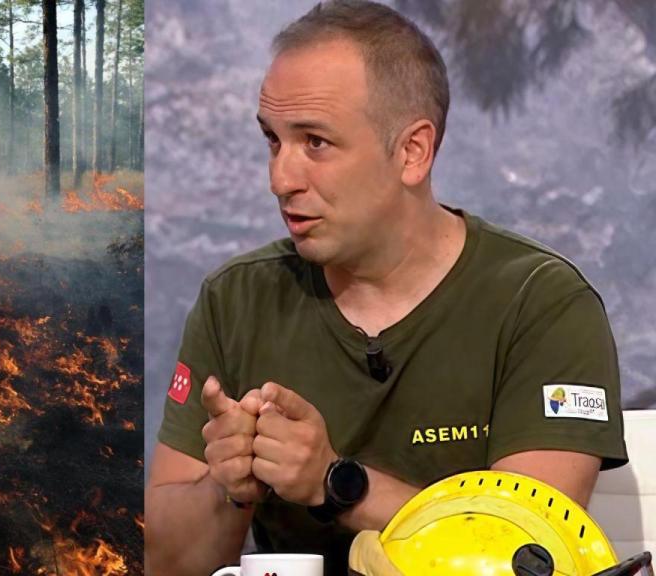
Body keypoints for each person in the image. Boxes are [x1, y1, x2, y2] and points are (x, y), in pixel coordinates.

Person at [144, 1, 628, 575]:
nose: (280, 178)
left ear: (412, 152)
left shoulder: (542, 304)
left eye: (315, 142)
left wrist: (335, 483)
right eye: (273, 140)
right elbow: (164, 563)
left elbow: (527, 555)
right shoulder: (235, 300)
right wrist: (228, 487)